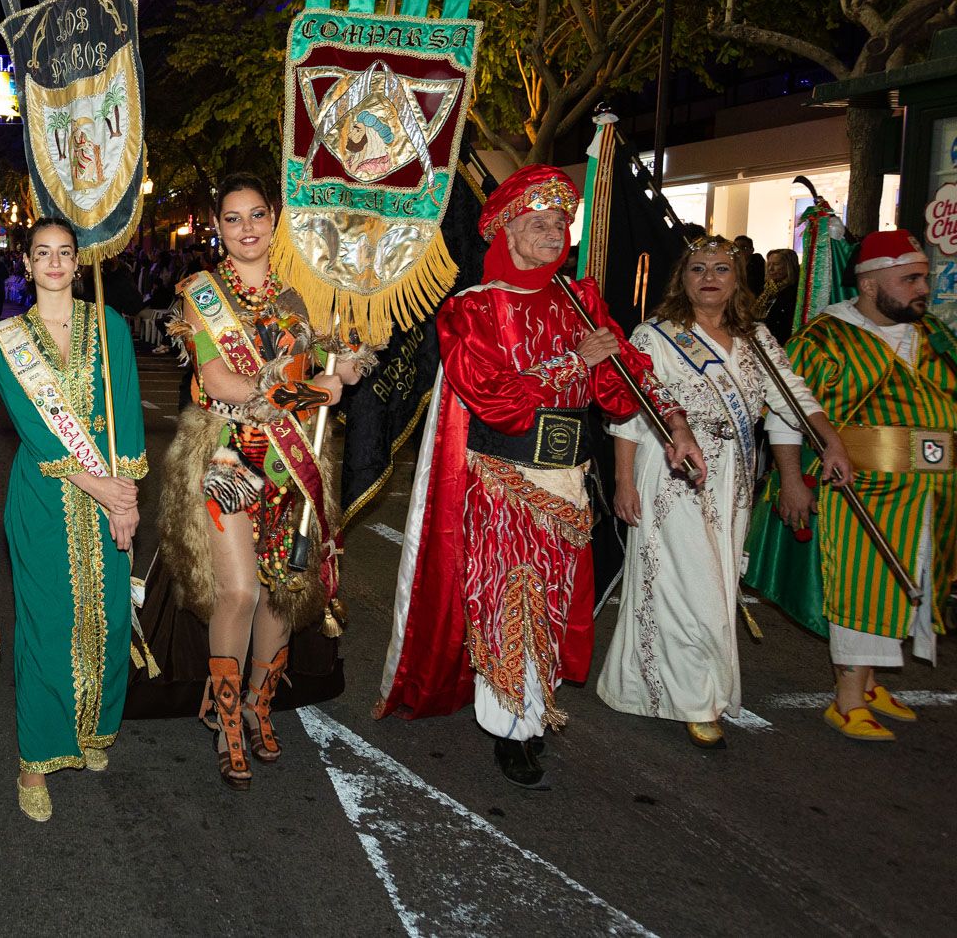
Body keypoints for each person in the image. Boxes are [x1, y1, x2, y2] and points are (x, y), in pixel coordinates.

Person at [379, 165, 704, 790]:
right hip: (502, 480)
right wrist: (568, 364)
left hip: (569, 483)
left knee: (554, 602)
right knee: (508, 597)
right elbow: (493, 397)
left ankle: (529, 707)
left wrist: (674, 423)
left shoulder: (580, 302)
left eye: (562, 223)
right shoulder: (472, 309)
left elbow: (622, 384)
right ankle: (513, 726)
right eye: (541, 223)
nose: (555, 232)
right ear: (506, 229)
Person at [131, 173, 357, 789]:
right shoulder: (200, 294)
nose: (248, 228)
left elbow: (323, 367)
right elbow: (221, 383)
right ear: (218, 227)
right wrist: (310, 389)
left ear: (275, 220)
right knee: (238, 593)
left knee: (280, 588)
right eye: (234, 218)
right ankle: (228, 720)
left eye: (258, 215)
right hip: (227, 454)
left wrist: (347, 366)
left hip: (289, 461)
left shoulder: (297, 297)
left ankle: (259, 704)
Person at [599, 236, 851, 748]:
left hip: (733, 472)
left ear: (738, 280)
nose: (709, 276)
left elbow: (793, 399)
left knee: (714, 580)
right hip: (671, 471)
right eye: (697, 268)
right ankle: (696, 699)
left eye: (721, 268)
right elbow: (627, 412)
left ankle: (649, 685)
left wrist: (832, 443)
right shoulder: (656, 335)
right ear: (682, 279)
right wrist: (624, 481)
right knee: (690, 583)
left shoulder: (757, 337)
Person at [754, 230, 956, 741]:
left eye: (925, 278)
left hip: (930, 493)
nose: (922, 288)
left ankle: (867, 685)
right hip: (860, 491)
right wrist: (791, 480)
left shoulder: (933, 335)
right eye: (909, 278)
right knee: (864, 584)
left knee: (910, 583)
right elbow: (786, 416)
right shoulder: (826, 338)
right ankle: (846, 700)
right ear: (868, 285)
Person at [0, 217, 146, 821]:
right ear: (26, 263)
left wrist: (124, 497)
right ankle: (36, 760)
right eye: (42, 253)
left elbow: (126, 411)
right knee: (47, 626)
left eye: (64, 253)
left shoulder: (108, 325)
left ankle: (93, 732)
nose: (54, 262)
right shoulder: (6, 339)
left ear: (78, 262)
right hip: (45, 499)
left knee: (106, 619)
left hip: (111, 492)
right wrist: (104, 490)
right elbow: (34, 430)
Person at [760, 247, 801, 343]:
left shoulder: (795, 292)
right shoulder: (768, 289)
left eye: (776, 264)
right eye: (769, 264)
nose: (770, 269)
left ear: (789, 266)